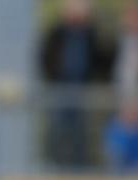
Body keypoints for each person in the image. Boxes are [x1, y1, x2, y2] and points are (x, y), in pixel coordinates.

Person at [39, 0, 109, 167]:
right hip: (60, 92)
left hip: (82, 93)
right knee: (57, 132)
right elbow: (46, 58)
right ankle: (54, 166)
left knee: (80, 135)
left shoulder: (90, 35)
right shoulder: (56, 33)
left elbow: (101, 60)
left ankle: (79, 167)